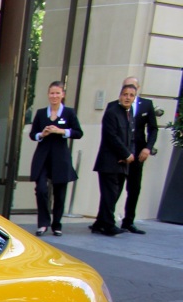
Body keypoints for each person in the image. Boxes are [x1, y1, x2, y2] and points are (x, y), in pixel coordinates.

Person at [28, 81, 82, 236]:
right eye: (52, 93)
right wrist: (41, 134)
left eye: (57, 93)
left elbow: (78, 132)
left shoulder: (69, 113)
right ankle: (43, 223)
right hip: (43, 157)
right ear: (48, 94)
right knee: (41, 190)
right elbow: (33, 134)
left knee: (60, 193)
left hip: (60, 158)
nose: (54, 96)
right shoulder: (40, 113)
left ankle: (56, 224)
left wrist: (61, 131)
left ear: (63, 95)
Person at [91, 83, 137, 236]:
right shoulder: (112, 112)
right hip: (109, 163)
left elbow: (131, 138)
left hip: (123, 164)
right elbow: (111, 137)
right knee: (110, 195)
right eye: (125, 94)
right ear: (120, 96)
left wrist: (129, 155)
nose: (127, 98)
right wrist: (126, 154)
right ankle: (108, 225)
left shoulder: (130, 115)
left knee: (113, 195)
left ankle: (99, 223)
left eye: (131, 95)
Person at [120, 76, 158, 233]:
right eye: (126, 87)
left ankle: (128, 221)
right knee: (114, 188)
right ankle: (105, 220)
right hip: (121, 153)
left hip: (138, 152)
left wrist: (148, 148)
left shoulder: (146, 105)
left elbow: (153, 128)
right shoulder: (118, 105)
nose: (129, 91)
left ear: (138, 88)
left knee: (134, 188)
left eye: (133, 87)